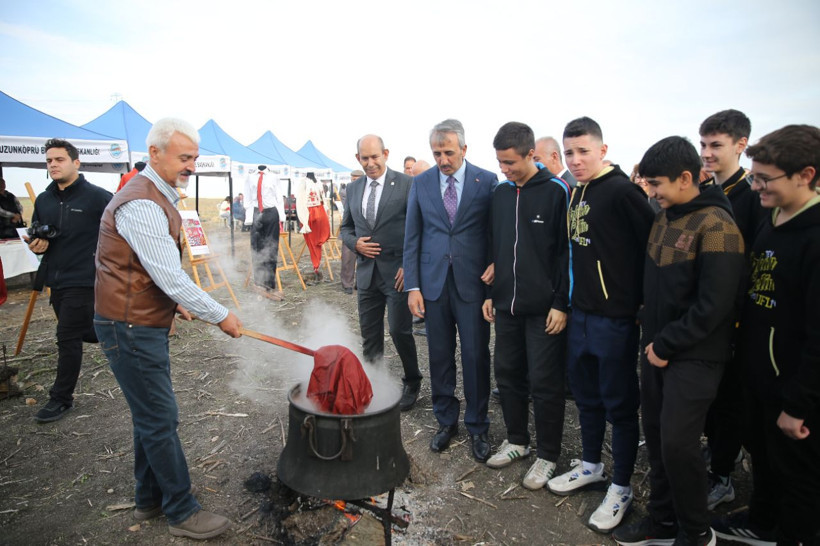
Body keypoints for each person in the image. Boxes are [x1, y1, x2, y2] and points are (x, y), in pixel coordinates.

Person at [94, 118, 242, 540]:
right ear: (155, 153)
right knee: (161, 418)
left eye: (194, 157)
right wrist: (220, 314)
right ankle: (181, 510)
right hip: (129, 326)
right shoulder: (141, 202)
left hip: (137, 320)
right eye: (184, 157)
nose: (191, 165)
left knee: (149, 415)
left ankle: (149, 498)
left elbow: (145, 267)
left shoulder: (158, 195)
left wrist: (174, 301)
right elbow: (170, 275)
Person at [613, 136, 744, 546]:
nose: (650, 193)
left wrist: (667, 344)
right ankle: (662, 522)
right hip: (655, 350)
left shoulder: (718, 226)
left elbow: (714, 305)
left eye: (656, 184)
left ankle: (696, 531)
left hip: (696, 356)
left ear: (686, 178)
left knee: (678, 445)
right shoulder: (665, 216)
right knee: (657, 438)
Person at [712, 125, 820, 546]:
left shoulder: (814, 238)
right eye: (754, 176)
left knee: (799, 477)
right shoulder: (772, 218)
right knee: (763, 458)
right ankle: (760, 521)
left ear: (805, 174)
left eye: (764, 179)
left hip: (794, 392)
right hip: (759, 376)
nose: (755, 185)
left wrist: (798, 405)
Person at [546, 117, 654, 533]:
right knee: (587, 397)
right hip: (580, 315)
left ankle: (622, 486)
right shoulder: (575, 193)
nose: (575, 160)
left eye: (583, 151)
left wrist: (639, 306)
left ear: (603, 150)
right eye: (569, 152)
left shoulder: (624, 192)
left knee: (621, 404)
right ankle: (591, 464)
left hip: (616, 319)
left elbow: (649, 251)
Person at [403, 119, 498, 462]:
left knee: (475, 356)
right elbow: (412, 236)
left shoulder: (486, 181)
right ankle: (446, 421)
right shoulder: (422, 183)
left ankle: (477, 424)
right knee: (440, 356)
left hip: (473, 284)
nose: (443, 160)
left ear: (464, 149)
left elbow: (493, 234)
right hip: (433, 285)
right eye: (437, 153)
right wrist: (413, 286)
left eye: (448, 152)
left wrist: (494, 282)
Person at [482, 122, 569, 490]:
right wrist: (491, 293)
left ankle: (548, 455)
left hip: (544, 308)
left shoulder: (556, 191)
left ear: (531, 154)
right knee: (507, 373)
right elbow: (496, 247)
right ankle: (517, 440)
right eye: (500, 163)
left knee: (546, 382)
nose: (505, 170)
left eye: (511, 163)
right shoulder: (501, 194)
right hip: (506, 305)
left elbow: (566, 252)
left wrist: (561, 303)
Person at [698, 109, 765, 509]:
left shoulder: (751, 196)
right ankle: (722, 453)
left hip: (736, 319)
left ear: (741, 146)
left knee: (728, 399)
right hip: (711, 314)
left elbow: (752, 262)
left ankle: (722, 477)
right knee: (713, 398)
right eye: (703, 144)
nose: (706, 153)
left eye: (716, 145)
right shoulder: (710, 192)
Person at [26, 139, 112, 423]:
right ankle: (118, 331)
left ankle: (61, 398)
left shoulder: (98, 197)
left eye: (59, 159)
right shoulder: (44, 199)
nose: (53, 164)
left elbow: (118, 233)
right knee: (84, 332)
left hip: (85, 278)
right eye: (49, 160)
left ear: (76, 162)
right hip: (55, 278)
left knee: (67, 338)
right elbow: (39, 234)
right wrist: (37, 244)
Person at [340, 135, 422, 411]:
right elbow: (346, 229)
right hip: (367, 275)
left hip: (397, 273)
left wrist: (409, 267)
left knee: (400, 331)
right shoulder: (353, 190)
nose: (370, 163)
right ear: (358, 159)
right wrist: (355, 243)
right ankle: (373, 382)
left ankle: (412, 380)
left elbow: (417, 229)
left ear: (385, 154)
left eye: (375, 157)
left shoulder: (407, 184)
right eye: (365, 158)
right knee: (369, 334)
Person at [250, 166, 285, 299]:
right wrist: (248, 217)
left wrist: (282, 217)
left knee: (271, 247)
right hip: (256, 212)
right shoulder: (251, 176)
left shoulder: (273, 176)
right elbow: (248, 196)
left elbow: (279, 197)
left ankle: (269, 283)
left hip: (271, 212)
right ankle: (258, 282)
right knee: (256, 248)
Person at [297, 172, 330, 283]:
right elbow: (300, 202)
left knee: (316, 242)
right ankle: (316, 265)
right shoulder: (305, 183)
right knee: (312, 242)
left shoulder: (318, 182)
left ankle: (316, 265)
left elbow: (323, 200)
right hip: (310, 213)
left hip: (318, 213)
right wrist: (304, 220)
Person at [339, 170, 364, 294]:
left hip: (364, 229)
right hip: (350, 228)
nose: (355, 181)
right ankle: (347, 283)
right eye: (353, 179)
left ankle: (360, 282)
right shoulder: (346, 191)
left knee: (364, 258)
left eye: (357, 179)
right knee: (348, 257)